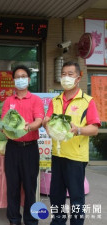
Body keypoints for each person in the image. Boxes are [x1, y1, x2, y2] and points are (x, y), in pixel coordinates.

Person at [43, 61, 100, 225]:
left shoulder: (87, 101)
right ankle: (58, 222)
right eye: (63, 74)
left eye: (70, 74)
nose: (66, 77)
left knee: (76, 197)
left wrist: (79, 130)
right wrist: (47, 124)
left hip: (76, 157)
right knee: (56, 196)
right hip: (57, 154)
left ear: (78, 77)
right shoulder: (55, 101)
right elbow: (47, 119)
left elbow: (94, 128)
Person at [1, 65, 44, 225]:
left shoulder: (36, 100)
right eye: (17, 77)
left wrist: (29, 126)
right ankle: (14, 220)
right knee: (12, 187)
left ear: (29, 79)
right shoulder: (8, 101)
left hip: (30, 149)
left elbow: (39, 120)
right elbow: (4, 123)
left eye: (23, 76)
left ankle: (31, 220)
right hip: (12, 148)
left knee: (30, 187)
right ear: (13, 80)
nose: (20, 79)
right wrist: (5, 128)